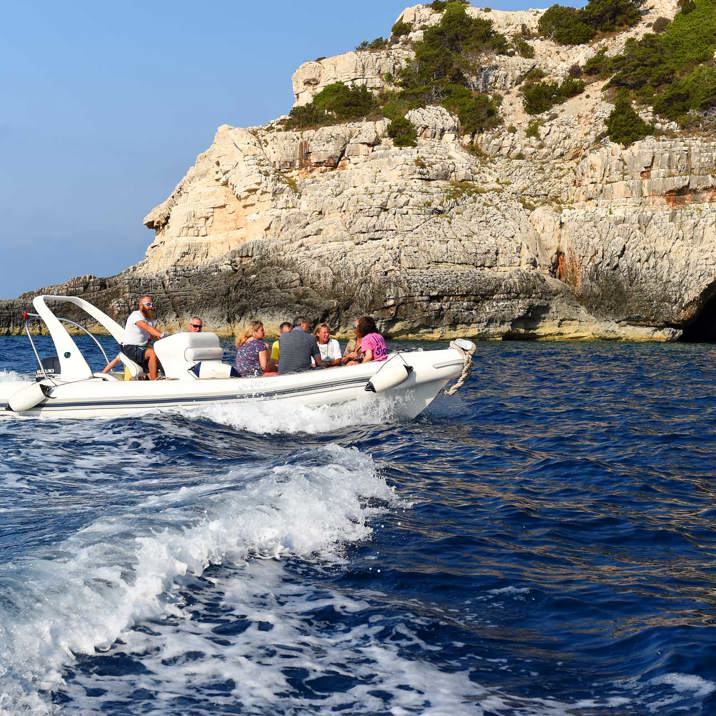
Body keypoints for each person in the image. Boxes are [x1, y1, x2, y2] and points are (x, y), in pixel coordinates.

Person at [120, 295, 163, 380]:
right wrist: (161, 335)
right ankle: (155, 383)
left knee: (160, 353)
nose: (151, 307)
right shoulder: (135, 315)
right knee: (152, 353)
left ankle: (151, 379)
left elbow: (152, 335)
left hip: (142, 348)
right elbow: (146, 327)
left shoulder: (150, 320)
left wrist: (164, 340)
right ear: (141, 305)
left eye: (151, 304)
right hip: (130, 347)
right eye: (148, 304)